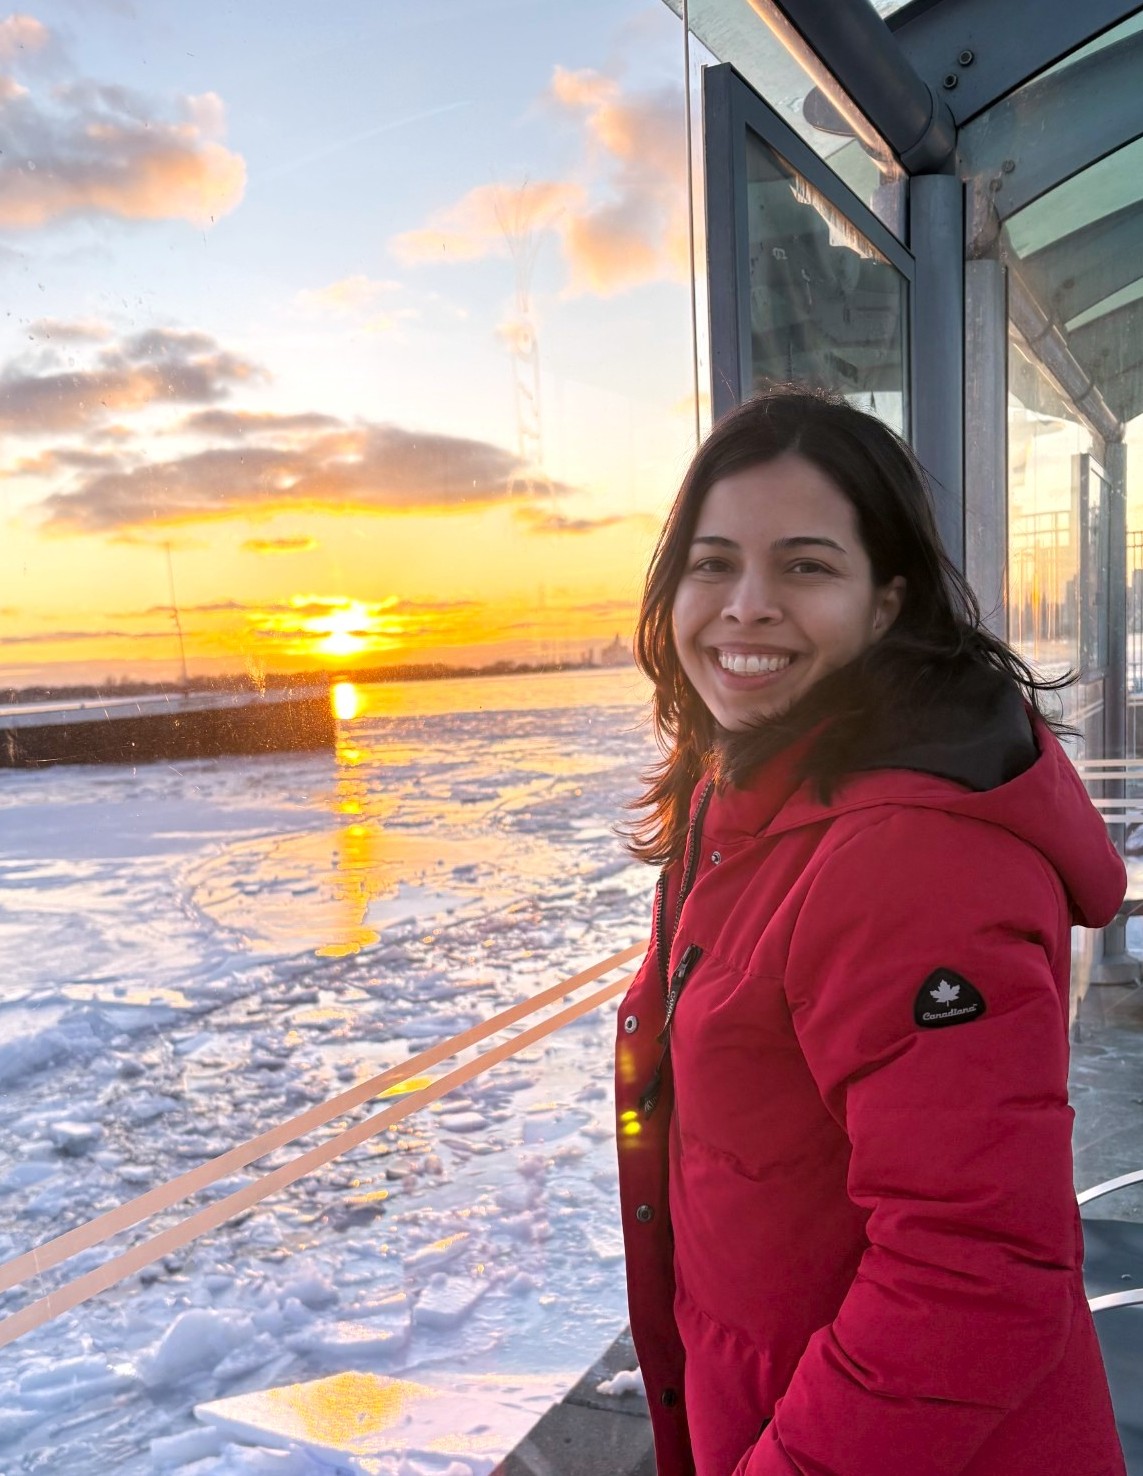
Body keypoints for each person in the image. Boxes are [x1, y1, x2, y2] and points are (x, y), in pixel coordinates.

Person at [615, 388, 1127, 1476]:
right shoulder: (747, 801)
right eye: (713, 564)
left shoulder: (905, 856)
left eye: (805, 566)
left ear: (887, 603)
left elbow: (975, 1275)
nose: (745, 606)